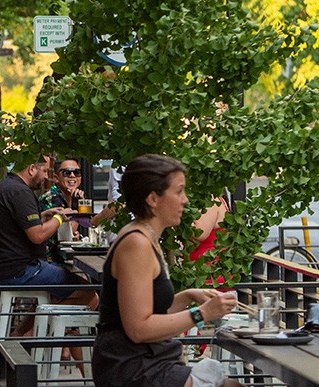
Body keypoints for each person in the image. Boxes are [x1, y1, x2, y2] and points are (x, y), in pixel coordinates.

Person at [93, 154, 240, 387]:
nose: (186, 200)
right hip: (133, 367)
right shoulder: (136, 243)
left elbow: (146, 309)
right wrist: (201, 313)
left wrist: (188, 296)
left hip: (147, 360)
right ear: (153, 198)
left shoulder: (146, 236)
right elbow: (138, 329)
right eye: (179, 191)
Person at [0, 154, 92, 309]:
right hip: (22, 271)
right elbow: (37, 236)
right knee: (87, 292)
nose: (45, 177)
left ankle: (25, 332)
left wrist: (42, 217)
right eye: (43, 171)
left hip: (7, 270)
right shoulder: (20, 192)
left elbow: (17, 226)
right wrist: (59, 218)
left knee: (56, 295)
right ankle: (41, 331)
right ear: (31, 169)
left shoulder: (5, 186)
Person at [39, 156, 88, 264]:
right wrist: (77, 207)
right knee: (84, 279)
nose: (72, 175)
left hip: (63, 257)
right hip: (48, 260)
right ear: (56, 177)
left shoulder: (72, 197)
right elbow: (66, 235)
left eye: (77, 172)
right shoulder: (51, 197)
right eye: (66, 172)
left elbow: (81, 227)